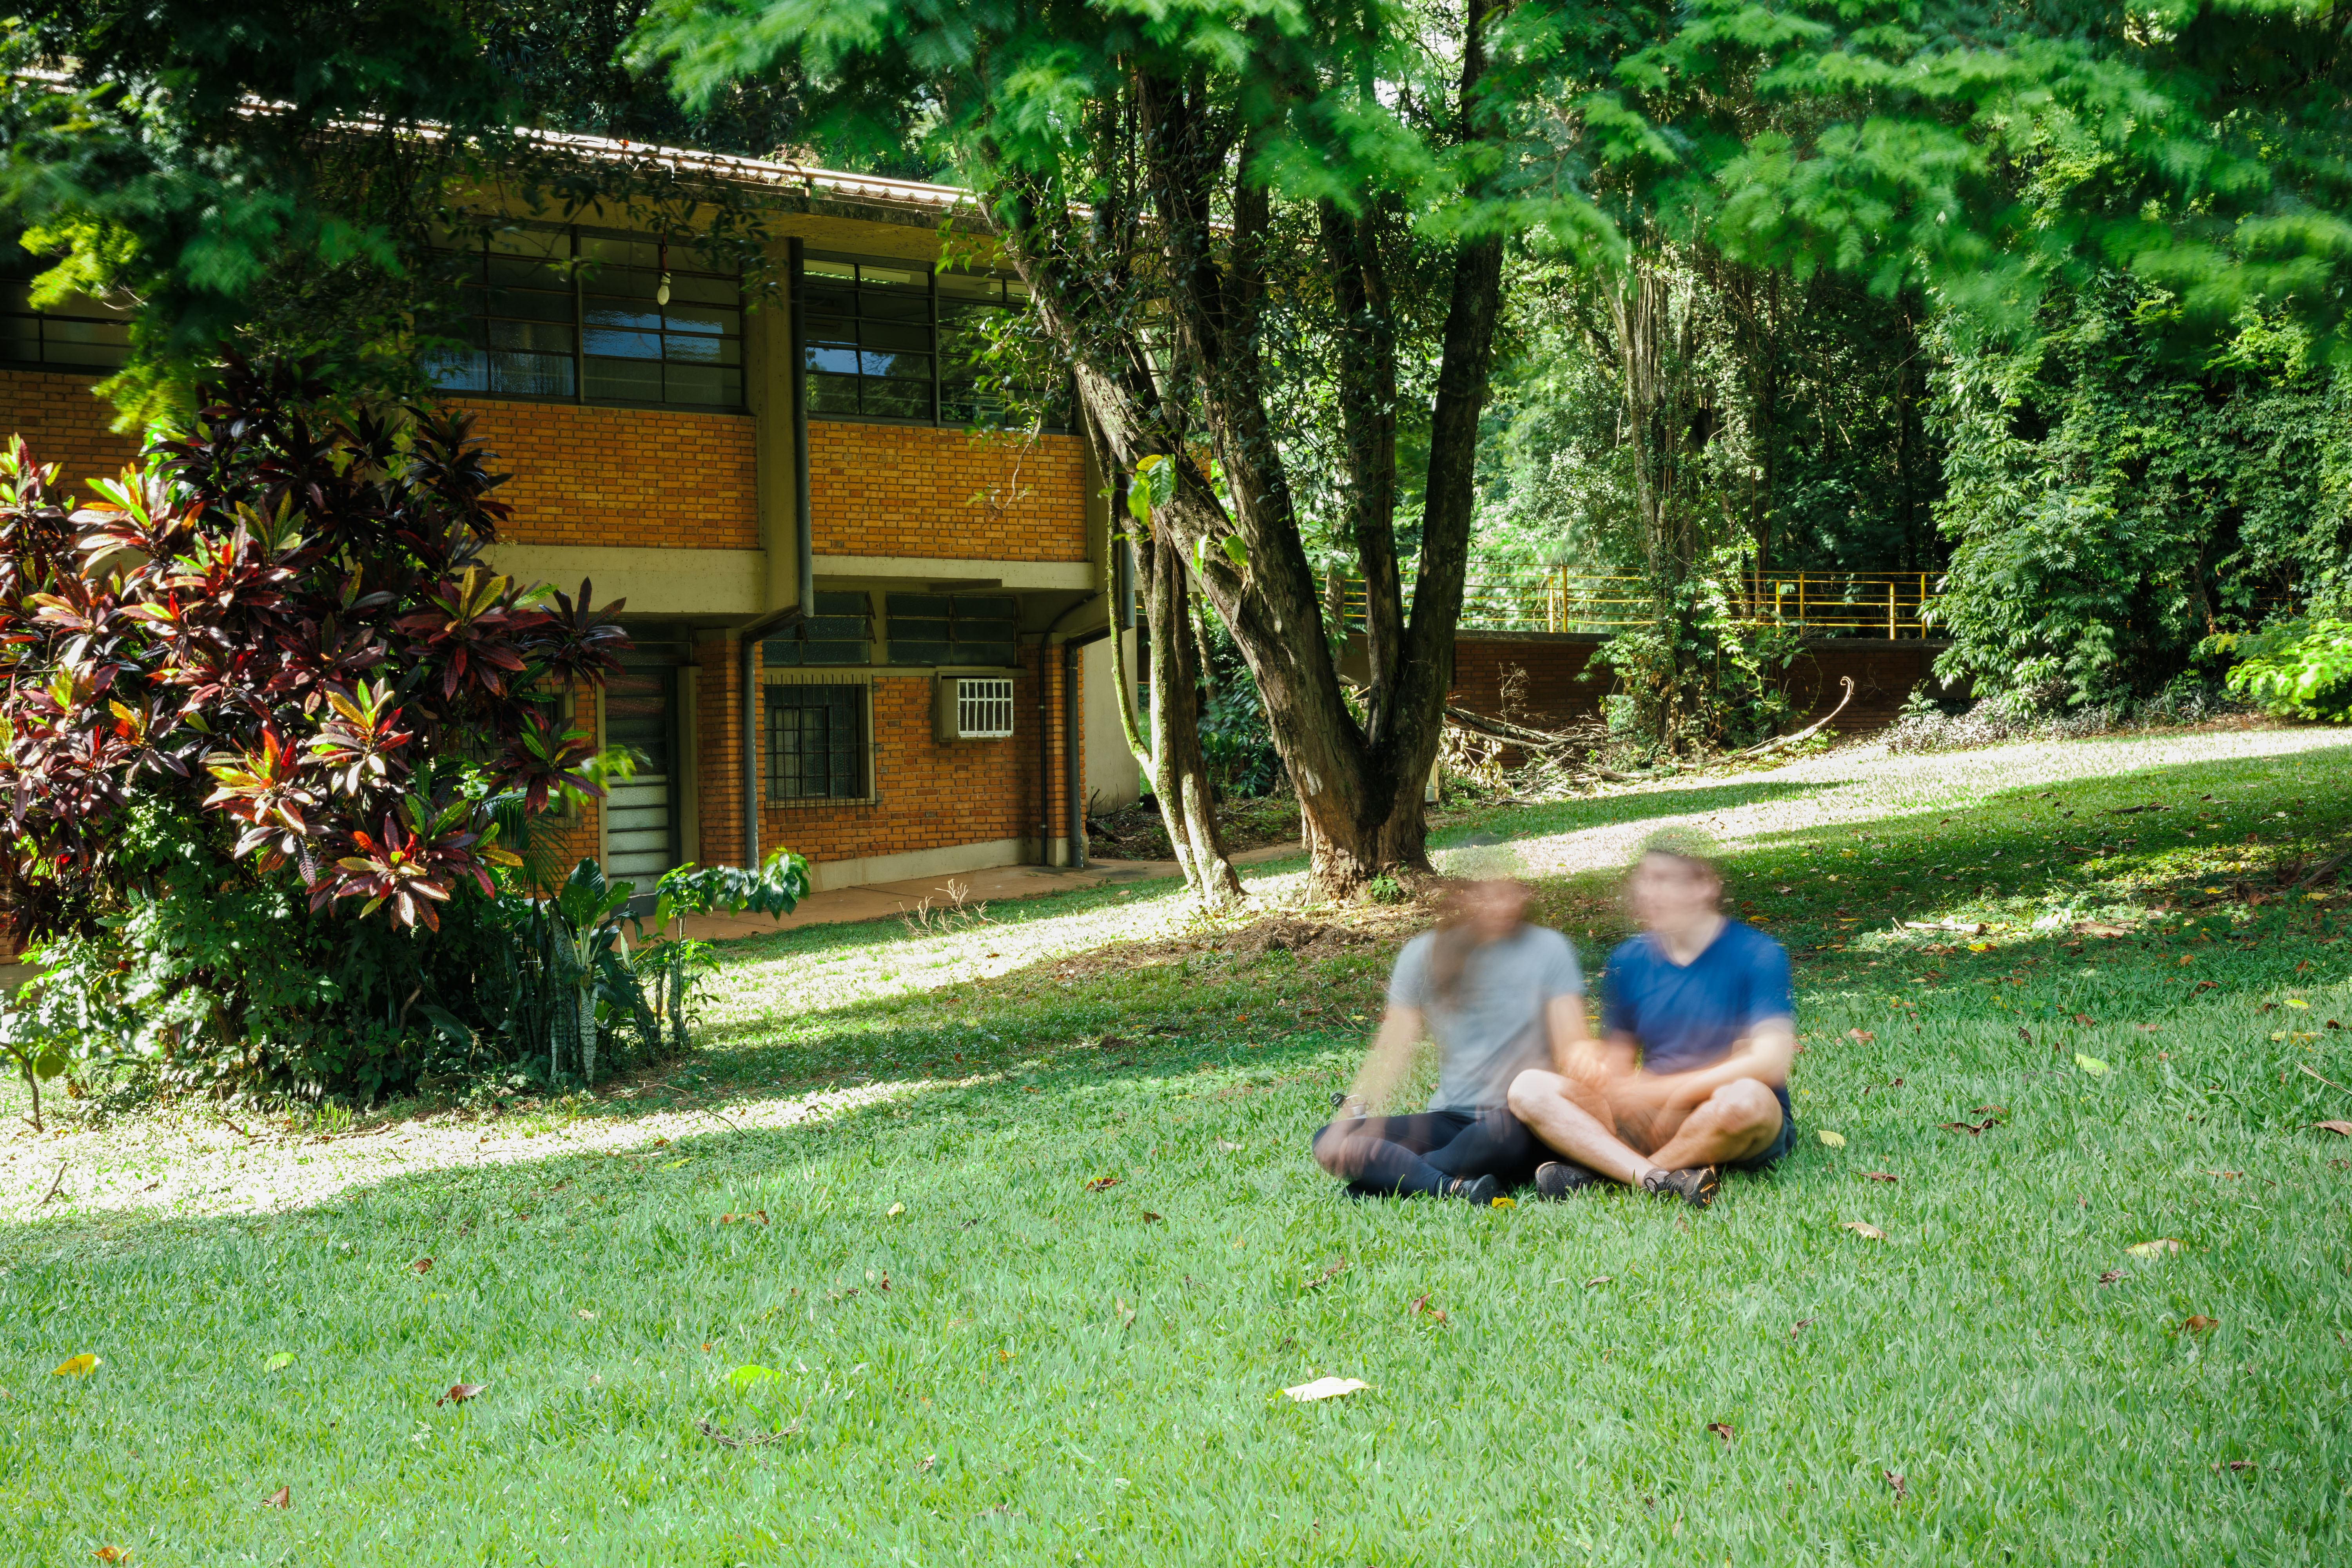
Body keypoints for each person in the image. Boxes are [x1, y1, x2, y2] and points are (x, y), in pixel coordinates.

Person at [1505, 842, 1795, 1210]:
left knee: (1748, 1099)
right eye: (1643, 881)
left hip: (1727, 1111)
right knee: (1529, 1088)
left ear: (1704, 886)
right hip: (1651, 1115)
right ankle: (1656, 1179)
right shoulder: (1629, 958)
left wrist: (1673, 1092)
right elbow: (1618, 1067)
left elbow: (1769, 1061)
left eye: (1662, 880)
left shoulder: (1759, 954)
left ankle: (1605, 1176)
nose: (1648, 892)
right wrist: (1590, 1061)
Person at [1312, 876, 1588, 1203]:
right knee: (1329, 1137)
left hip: (1518, 1117)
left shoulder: (1547, 949)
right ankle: (1452, 1187)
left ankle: (1381, 1184)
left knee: (1497, 1137)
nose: (1497, 907)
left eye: (1506, 894)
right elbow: (1392, 1049)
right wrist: (1348, 1125)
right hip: (1450, 1118)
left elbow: (1573, 1047)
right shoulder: (1423, 954)